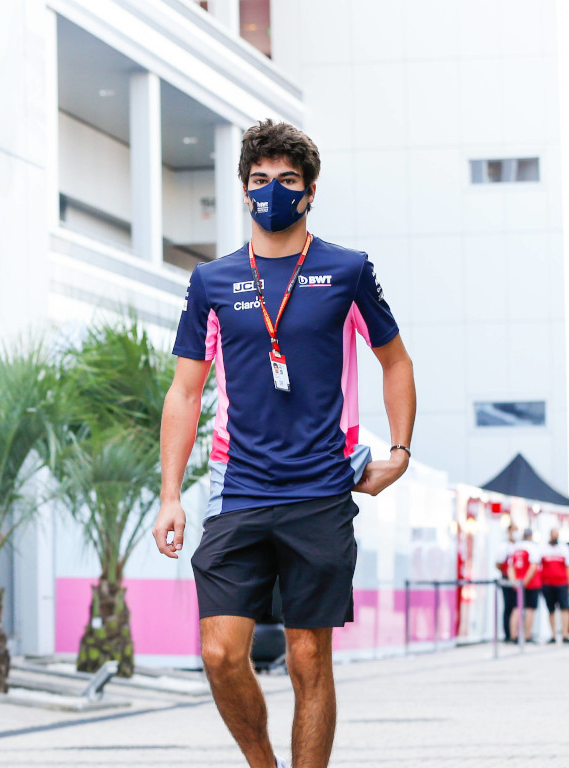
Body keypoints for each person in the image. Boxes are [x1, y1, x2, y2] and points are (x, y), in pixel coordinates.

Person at [153, 120, 415, 768]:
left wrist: (400, 455)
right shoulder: (211, 282)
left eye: (288, 181)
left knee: (307, 657)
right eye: (261, 180)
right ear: (245, 191)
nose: (274, 191)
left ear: (311, 191)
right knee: (219, 653)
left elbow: (396, 362)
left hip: (322, 489)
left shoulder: (347, 271)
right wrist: (169, 496)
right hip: (237, 487)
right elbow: (185, 393)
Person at [508, 528, 541, 643]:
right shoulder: (532, 548)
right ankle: (527, 636)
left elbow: (510, 567)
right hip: (530, 583)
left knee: (517, 609)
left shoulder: (516, 547)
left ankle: (513, 636)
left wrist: (514, 582)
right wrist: (525, 582)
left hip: (518, 583)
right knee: (529, 609)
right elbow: (533, 567)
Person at [539, 527, 569, 644]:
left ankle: (565, 634)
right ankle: (553, 634)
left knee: (564, 608)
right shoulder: (544, 549)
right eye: (553, 534)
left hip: (561, 583)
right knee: (550, 609)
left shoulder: (563, 549)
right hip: (547, 584)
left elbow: (567, 568)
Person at [496, 522, 519, 642]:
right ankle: (508, 634)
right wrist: (508, 574)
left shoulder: (518, 545)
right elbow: (498, 563)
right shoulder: (504, 546)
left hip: (516, 580)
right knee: (509, 606)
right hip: (507, 579)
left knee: (516, 607)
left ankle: (514, 633)